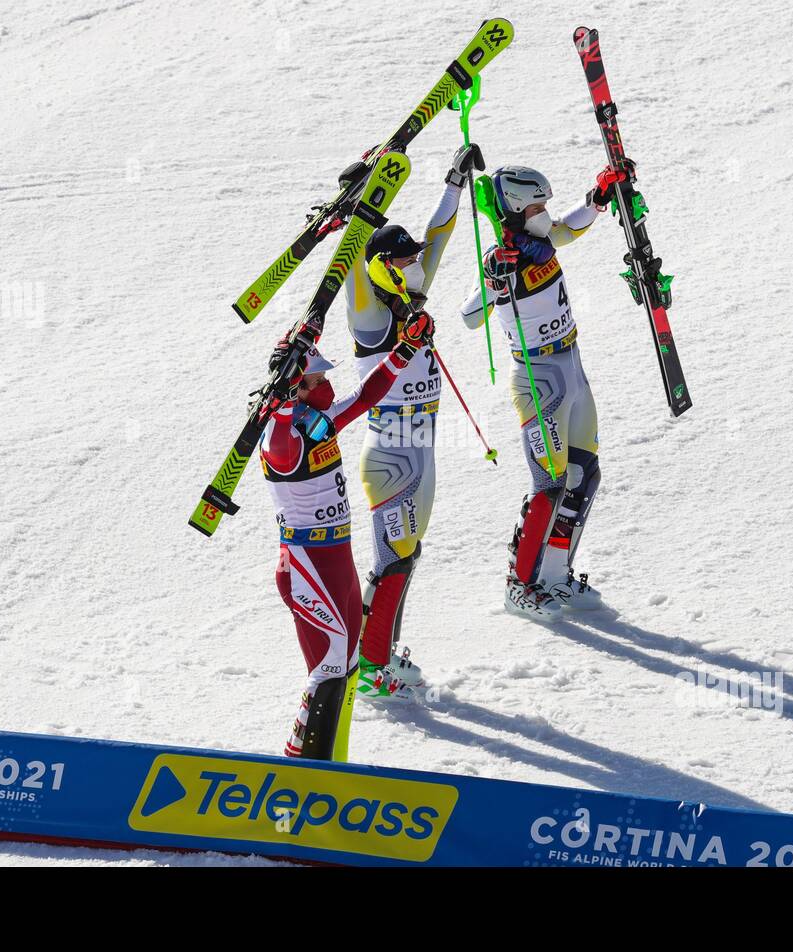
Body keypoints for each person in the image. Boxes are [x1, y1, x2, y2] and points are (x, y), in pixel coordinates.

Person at [342, 143, 484, 699]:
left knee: (406, 556)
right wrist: (361, 202)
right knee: (393, 559)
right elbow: (355, 263)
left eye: (410, 260)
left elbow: (439, 236)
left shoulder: (411, 291)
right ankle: (371, 668)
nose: (413, 265)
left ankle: (380, 655)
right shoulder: (371, 311)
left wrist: (454, 181)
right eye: (401, 260)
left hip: (420, 447)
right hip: (392, 450)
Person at [459, 163, 628, 621]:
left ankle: (555, 573)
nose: (544, 214)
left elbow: (567, 229)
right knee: (549, 484)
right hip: (538, 379)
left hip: (571, 363)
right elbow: (470, 315)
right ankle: (520, 583)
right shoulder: (504, 258)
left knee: (585, 471)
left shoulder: (540, 243)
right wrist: (494, 280)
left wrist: (598, 198)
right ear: (514, 210)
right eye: (536, 207)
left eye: (546, 205)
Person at [261, 315, 435, 759]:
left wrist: (405, 351)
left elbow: (366, 396)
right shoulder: (282, 435)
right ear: (295, 388)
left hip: (336, 560)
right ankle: (302, 763)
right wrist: (281, 404)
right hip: (306, 565)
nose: (326, 386)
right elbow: (281, 445)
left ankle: (331, 759)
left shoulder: (316, 421)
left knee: (348, 666)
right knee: (329, 668)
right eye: (316, 379)